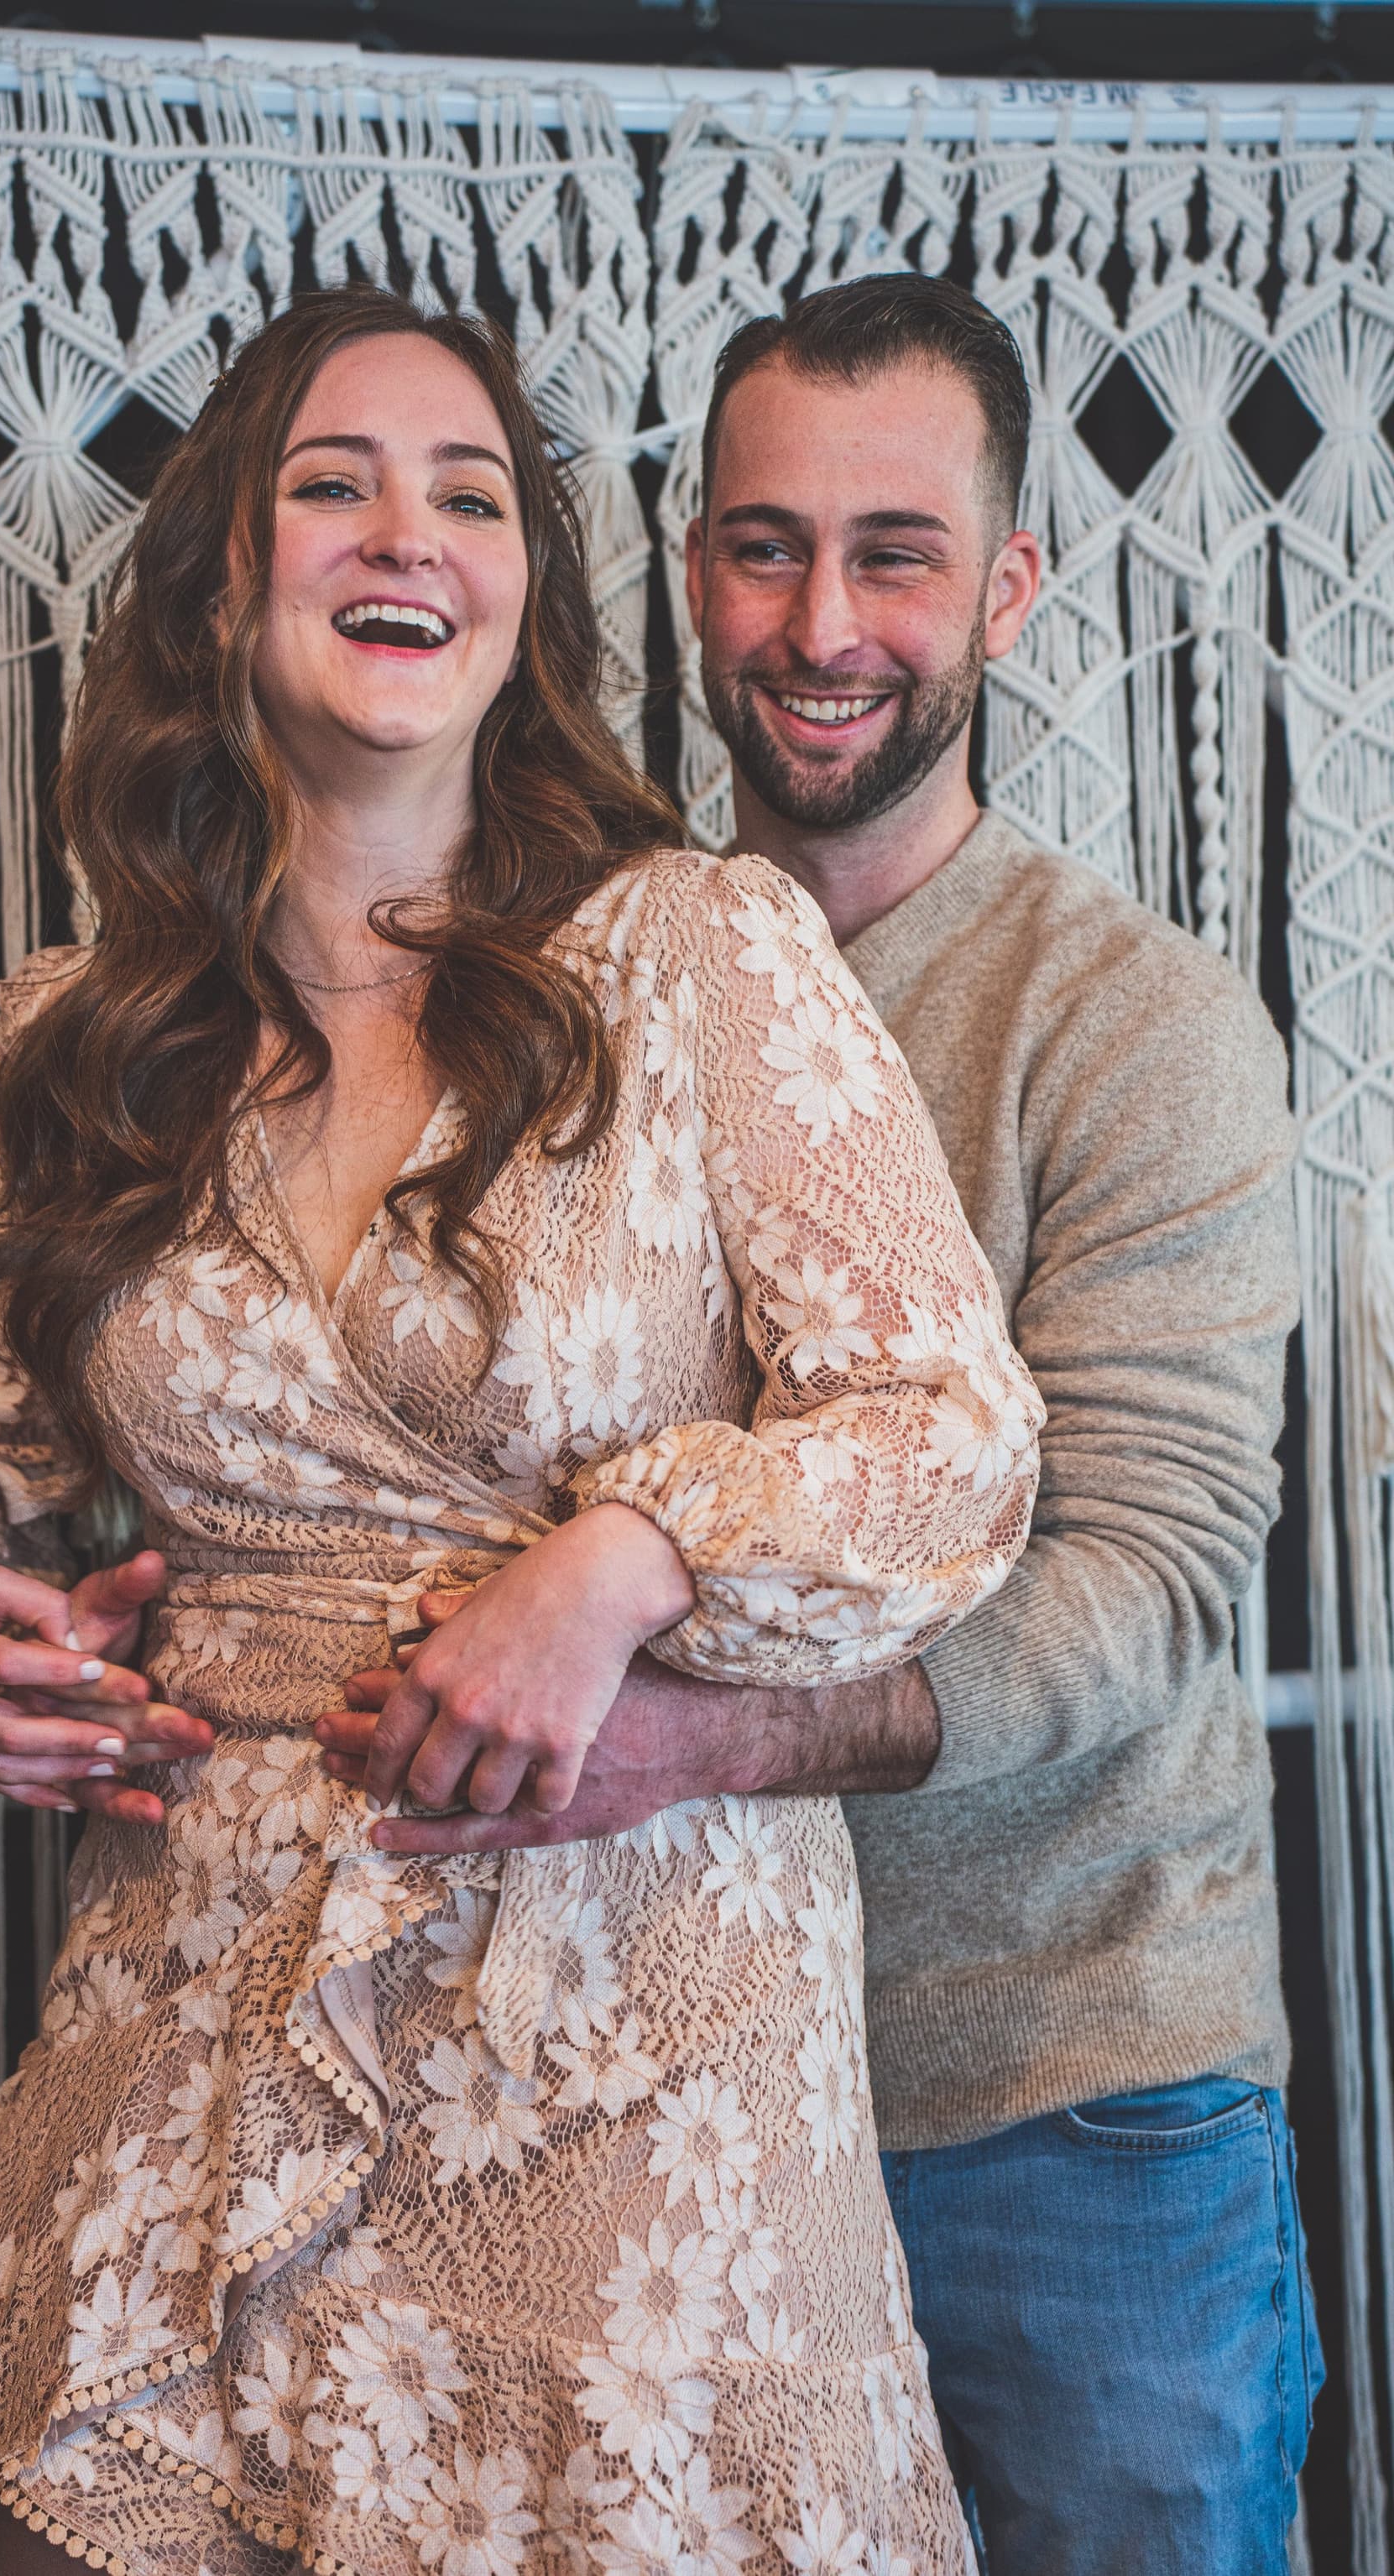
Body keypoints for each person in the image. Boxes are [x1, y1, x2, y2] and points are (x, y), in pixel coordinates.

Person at [0, 284, 1041, 2576]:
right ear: (223, 585)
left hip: (627, 2048)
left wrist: (621, 1566)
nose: (411, 532)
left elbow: (950, 1432)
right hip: (191, 2028)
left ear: (523, 604)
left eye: (470, 493)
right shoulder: (85, 1038)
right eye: (333, 485)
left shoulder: (695, 953)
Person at [322, 277, 1320, 2576]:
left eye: (894, 554)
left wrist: (719, 1738)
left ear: (1008, 589)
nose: (822, 620)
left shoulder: (1135, 1024)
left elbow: (1145, 1594)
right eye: (764, 548)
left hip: (1059, 2106)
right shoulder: (560, 981)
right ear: (689, 575)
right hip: (628, 2090)